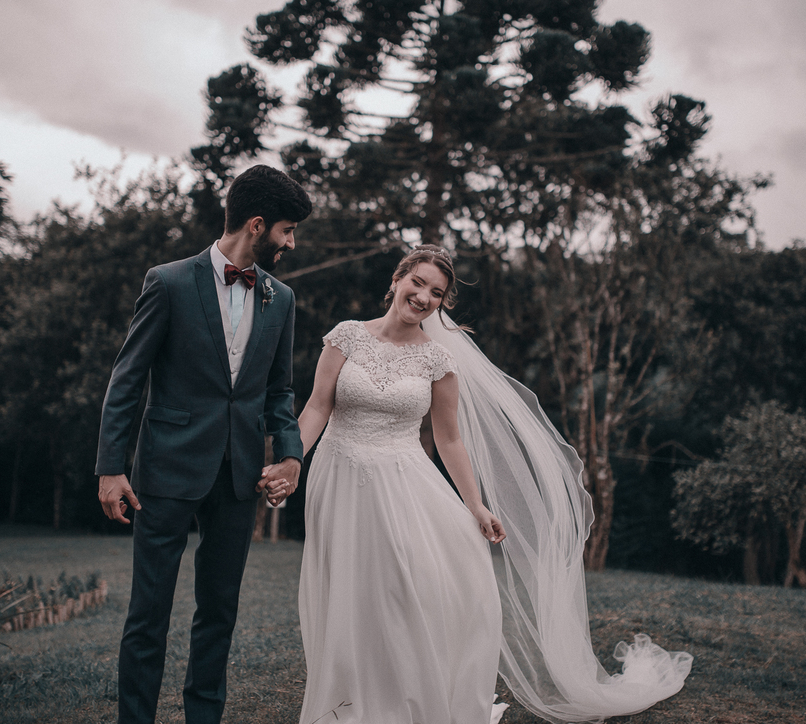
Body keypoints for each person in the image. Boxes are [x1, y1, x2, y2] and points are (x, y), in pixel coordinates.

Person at [296, 245, 693, 724]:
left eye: (436, 293)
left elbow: (449, 438)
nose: (423, 297)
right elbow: (317, 407)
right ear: (397, 279)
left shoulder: (437, 360)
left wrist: (477, 506)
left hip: (403, 483)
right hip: (338, 477)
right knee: (347, 592)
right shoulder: (346, 337)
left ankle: (406, 698)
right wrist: (290, 461)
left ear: (443, 304)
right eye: (417, 283)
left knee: (409, 588)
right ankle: (346, 703)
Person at [94, 164, 311, 724]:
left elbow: (279, 390)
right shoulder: (167, 282)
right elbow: (127, 377)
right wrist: (111, 467)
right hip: (165, 470)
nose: (291, 243)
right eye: (287, 230)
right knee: (149, 614)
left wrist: (288, 453)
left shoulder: (280, 299)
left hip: (239, 475)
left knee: (219, 611)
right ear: (258, 225)